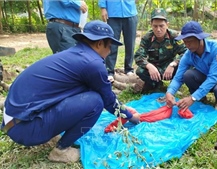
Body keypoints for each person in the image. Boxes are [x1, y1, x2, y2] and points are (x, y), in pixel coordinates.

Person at [0, 20, 140, 163]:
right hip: (25, 130)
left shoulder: (74, 54)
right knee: (96, 101)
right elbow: (109, 101)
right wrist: (130, 116)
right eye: (109, 46)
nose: (109, 51)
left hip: (11, 123)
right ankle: (60, 151)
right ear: (99, 44)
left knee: (87, 94)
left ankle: (46, 127)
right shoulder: (93, 63)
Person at [166, 21, 217, 110]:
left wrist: (192, 98)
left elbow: (214, 77)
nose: (187, 45)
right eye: (185, 42)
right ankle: (201, 97)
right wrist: (169, 92)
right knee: (188, 75)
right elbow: (178, 77)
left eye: (190, 41)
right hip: (204, 76)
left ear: (200, 38)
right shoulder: (188, 55)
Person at [134, 8, 187, 93]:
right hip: (155, 68)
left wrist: (173, 64)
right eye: (155, 26)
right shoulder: (147, 38)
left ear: (167, 25)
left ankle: (175, 84)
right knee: (140, 71)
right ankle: (157, 84)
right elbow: (138, 56)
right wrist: (149, 66)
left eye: (161, 26)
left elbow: (186, 53)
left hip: (169, 67)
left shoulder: (174, 36)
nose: (158, 29)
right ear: (151, 25)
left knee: (186, 67)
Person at [98, 0, 138, 82]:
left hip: (130, 12)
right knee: (111, 43)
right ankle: (109, 71)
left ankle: (129, 69)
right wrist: (103, 8)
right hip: (113, 13)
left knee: (130, 43)